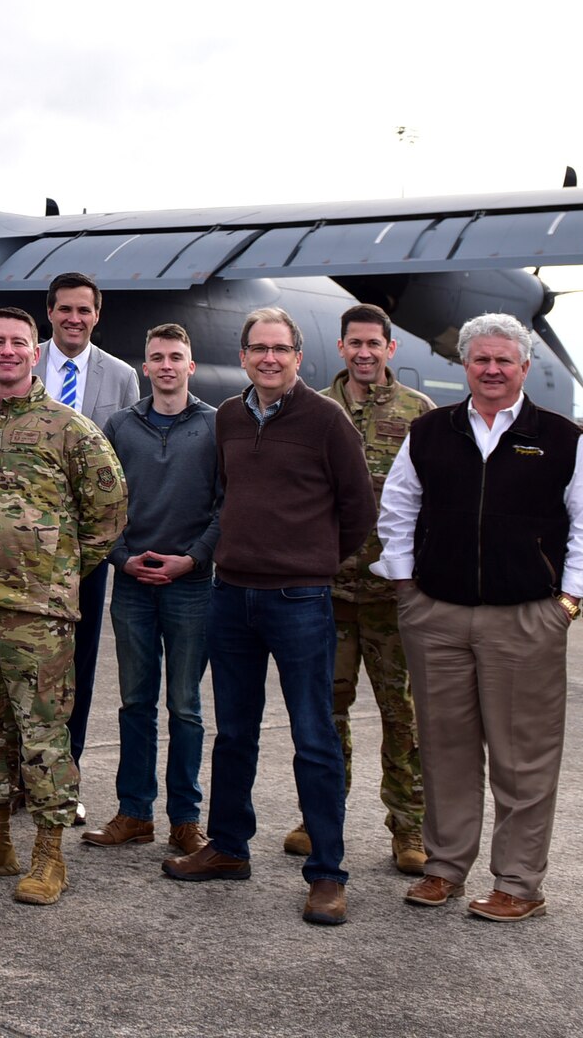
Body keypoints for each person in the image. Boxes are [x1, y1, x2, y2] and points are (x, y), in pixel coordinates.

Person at [373, 312, 583, 922]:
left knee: (521, 757)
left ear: (525, 367)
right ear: (465, 366)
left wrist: (567, 601)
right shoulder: (429, 432)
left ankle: (519, 883)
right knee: (444, 749)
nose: (493, 370)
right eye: (481, 360)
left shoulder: (560, 438)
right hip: (437, 615)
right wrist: (405, 585)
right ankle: (444, 867)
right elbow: (398, 508)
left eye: (505, 360)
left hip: (525, 619)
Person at [163, 307, 374, 929]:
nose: (269, 359)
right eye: (258, 349)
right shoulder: (228, 417)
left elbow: (359, 509)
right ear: (246, 355)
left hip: (300, 601)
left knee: (314, 736)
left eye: (280, 349)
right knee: (234, 733)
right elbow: (227, 495)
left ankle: (328, 875)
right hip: (231, 595)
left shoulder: (327, 420)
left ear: (298, 357)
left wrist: (313, 563)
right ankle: (228, 847)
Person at [0, 307, 126, 905]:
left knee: (43, 732)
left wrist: (58, 573)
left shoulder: (71, 429)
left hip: (39, 616)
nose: (7, 351)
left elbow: (109, 514)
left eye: (20, 342)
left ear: (35, 353)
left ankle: (49, 855)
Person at [280, 304, 433, 872]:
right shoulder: (313, 409)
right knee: (323, 712)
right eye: (355, 344)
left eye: (374, 343)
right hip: (328, 591)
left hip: (395, 597)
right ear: (341, 348)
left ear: (390, 349)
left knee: (403, 717)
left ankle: (409, 828)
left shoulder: (421, 414)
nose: (364, 353)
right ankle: (320, 817)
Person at [84, 323, 218, 859]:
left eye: (176, 357)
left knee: (185, 706)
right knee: (135, 702)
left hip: (193, 586)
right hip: (134, 585)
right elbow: (102, 507)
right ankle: (134, 813)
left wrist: (194, 558)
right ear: (144, 367)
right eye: (157, 357)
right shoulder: (120, 425)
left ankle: (185, 819)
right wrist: (121, 558)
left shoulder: (214, 426)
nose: (166, 365)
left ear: (191, 366)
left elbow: (225, 504)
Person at [37, 271, 140, 822]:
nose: (74, 319)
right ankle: (12, 778)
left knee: (75, 668)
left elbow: (121, 467)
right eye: (65, 309)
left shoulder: (121, 378)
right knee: (20, 665)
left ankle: (64, 780)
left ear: (97, 315)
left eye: (85, 310)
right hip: (22, 548)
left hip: (85, 551)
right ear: (49, 312)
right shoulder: (17, 362)